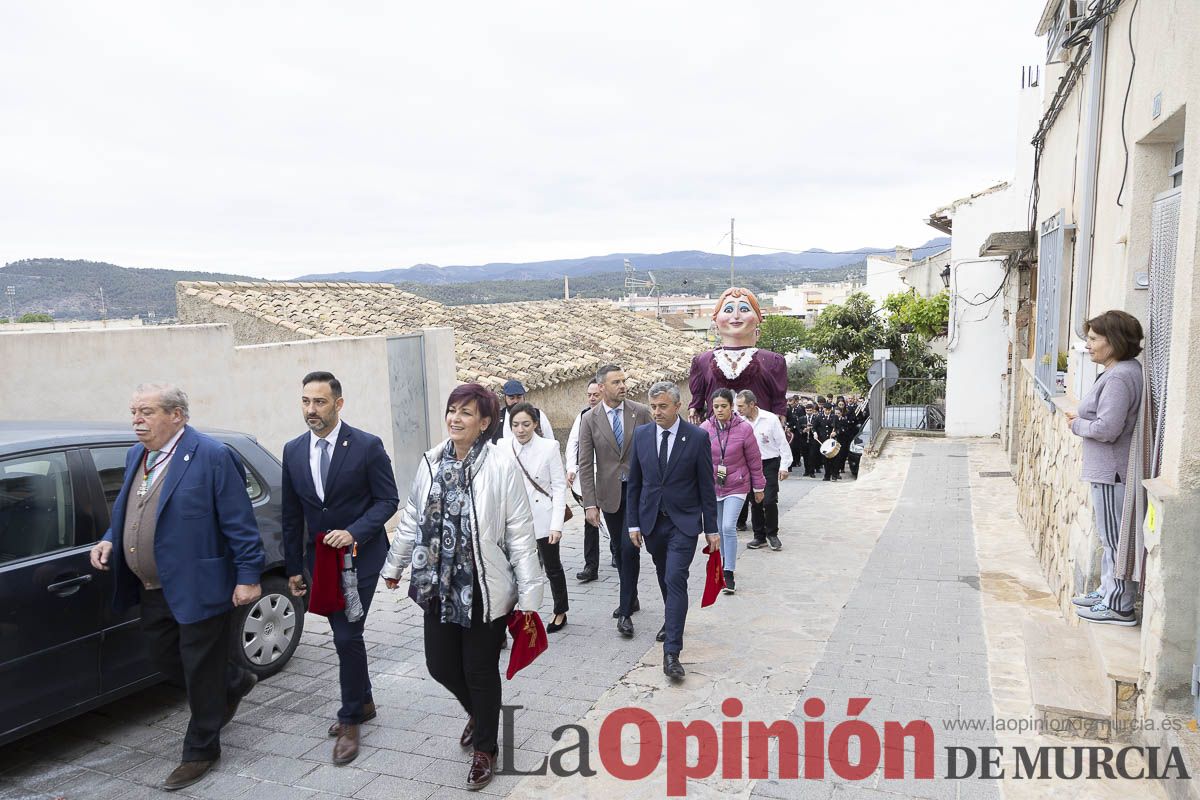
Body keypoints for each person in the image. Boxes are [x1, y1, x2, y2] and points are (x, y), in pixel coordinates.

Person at [89, 383, 264, 792]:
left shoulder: (213, 457)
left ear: (177, 416)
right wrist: (110, 537)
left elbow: (240, 524)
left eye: (146, 412)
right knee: (165, 657)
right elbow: (132, 510)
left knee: (199, 669)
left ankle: (201, 750)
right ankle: (233, 681)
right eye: (134, 411)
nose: (136, 420)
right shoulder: (138, 455)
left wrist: (248, 577)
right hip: (152, 586)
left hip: (200, 584)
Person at [382, 383, 544, 790]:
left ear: (485, 423)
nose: (456, 418)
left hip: (484, 588)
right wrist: (394, 564)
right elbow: (413, 515)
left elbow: (521, 536)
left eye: (467, 412)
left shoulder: (501, 467)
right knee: (440, 666)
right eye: (453, 409)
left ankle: (485, 749)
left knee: (479, 670)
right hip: (436, 582)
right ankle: (482, 713)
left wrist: (530, 598)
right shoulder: (431, 461)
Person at [281, 372, 400, 765]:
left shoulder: (366, 446)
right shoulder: (293, 450)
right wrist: (294, 567)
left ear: (338, 404)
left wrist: (353, 532)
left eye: (319, 402)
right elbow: (291, 513)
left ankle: (350, 718)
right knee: (343, 632)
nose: (311, 410)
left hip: (360, 558)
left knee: (347, 635)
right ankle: (363, 701)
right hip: (321, 563)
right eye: (305, 402)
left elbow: (387, 500)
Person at [626, 382, 720, 680]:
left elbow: (707, 486)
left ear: (677, 406)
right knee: (664, 574)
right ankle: (672, 617)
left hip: (684, 522)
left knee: (676, 577)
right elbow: (635, 484)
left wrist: (712, 528)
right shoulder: (641, 435)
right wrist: (633, 523)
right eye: (653, 407)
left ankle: (672, 652)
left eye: (662, 406)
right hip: (652, 522)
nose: (656, 412)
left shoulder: (696, 438)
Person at [1065, 310, 1145, 626]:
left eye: (1094, 339)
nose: (1088, 345)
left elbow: (1107, 428)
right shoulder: (1123, 372)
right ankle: (1109, 592)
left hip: (1112, 472)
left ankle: (1119, 605)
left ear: (1113, 342)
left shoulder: (1120, 377)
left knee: (1114, 539)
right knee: (1111, 536)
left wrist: (1077, 424)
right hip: (1111, 471)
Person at [577, 364, 653, 636]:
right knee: (619, 551)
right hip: (609, 494)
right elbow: (585, 464)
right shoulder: (590, 419)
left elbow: (654, 451)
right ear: (601, 387)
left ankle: (625, 614)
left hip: (638, 493)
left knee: (629, 547)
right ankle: (630, 596)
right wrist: (589, 503)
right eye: (616, 382)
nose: (623, 386)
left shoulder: (640, 412)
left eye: (624, 380)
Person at [507, 402, 570, 632]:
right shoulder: (503, 447)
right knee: (514, 570)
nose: (520, 429)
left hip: (543, 518)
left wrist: (557, 525)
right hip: (514, 520)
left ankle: (560, 609)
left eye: (525, 424)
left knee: (552, 566)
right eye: (515, 424)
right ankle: (516, 615)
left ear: (535, 424)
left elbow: (559, 486)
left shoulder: (549, 447)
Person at [688, 288, 789, 424]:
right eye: (728, 310)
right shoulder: (703, 361)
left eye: (744, 309)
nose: (736, 316)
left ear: (758, 318)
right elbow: (697, 400)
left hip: (758, 436)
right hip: (719, 438)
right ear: (716, 319)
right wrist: (694, 408)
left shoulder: (773, 361)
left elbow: (778, 402)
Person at [699, 389, 764, 594]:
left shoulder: (744, 429)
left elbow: (754, 459)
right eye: (716, 406)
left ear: (731, 406)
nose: (719, 410)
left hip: (737, 485)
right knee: (716, 530)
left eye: (723, 406)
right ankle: (720, 566)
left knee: (728, 527)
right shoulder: (705, 428)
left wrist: (758, 486)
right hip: (713, 486)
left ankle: (729, 572)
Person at [565, 380, 612, 581]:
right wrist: (570, 468)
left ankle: (618, 553)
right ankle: (590, 566)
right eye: (589, 395)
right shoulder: (583, 416)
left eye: (596, 395)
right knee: (590, 520)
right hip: (588, 475)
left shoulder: (613, 416)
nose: (592, 398)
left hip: (609, 476)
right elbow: (573, 443)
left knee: (613, 517)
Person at [734, 390, 791, 550]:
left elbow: (782, 444)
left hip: (769, 464)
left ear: (752, 404)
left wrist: (784, 466)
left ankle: (772, 534)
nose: (738, 409)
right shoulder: (738, 421)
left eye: (741, 406)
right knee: (755, 501)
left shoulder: (770, 419)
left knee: (769, 500)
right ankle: (759, 536)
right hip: (749, 465)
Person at [491, 378, 555, 444]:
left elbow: (550, 441)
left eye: (519, 397)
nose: (516, 401)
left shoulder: (538, 415)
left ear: (524, 397)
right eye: (511, 398)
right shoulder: (496, 418)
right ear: (505, 398)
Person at [812, 403, 837, 481]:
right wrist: (815, 433)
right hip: (823, 441)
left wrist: (835, 432)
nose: (827, 412)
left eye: (829, 410)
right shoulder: (819, 417)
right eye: (826, 410)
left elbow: (839, 427)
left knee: (833, 458)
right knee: (825, 459)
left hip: (832, 441)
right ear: (823, 409)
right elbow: (814, 427)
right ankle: (827, 475)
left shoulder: (834, 417)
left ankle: (834, 475)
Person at [800, 403, 820, 477]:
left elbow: (818, 428)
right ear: (805, 410)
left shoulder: (816, 418)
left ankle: (812, 472)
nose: (809, 412)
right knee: (805, 456)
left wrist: (814, 431)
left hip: (813, 440)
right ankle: (806, 471)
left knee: (812, 456)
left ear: (813, 410)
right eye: (807, 410)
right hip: (804, 440)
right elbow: (799, 429)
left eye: (810, 410)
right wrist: (804, 430)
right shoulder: (802, 418)